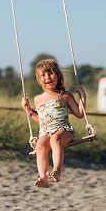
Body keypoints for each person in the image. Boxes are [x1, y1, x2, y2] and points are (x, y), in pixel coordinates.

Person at [21, 59, 87, 188]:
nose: (48, 78)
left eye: (51, 73)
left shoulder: (65, 95)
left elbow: (79, 114)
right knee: (40, 144)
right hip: (45, 132)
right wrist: (28, 109)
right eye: (43, 75)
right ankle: (43, 178)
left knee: (55, 139)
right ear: (39, 80)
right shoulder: (37, 99)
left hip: (64, 131)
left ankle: (57, 171)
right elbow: (41, 120)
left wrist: (83, 96)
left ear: (57, 75)